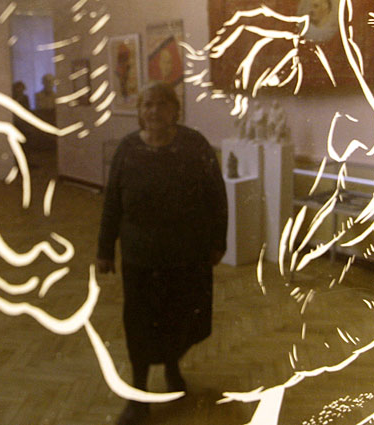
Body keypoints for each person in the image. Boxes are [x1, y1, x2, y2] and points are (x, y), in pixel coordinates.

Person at [96, 81, 228, 425]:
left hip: (186, 255)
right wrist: (105, 250)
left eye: (162, 104)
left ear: (175, 110)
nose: (154, 111)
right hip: (141, 257)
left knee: (179, 319)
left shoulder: (194, 145)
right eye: (147, 105)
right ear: (140, 112)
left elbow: (216, 196)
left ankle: (172, 368)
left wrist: (219, 242)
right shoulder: (127, 149)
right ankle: (138, 395)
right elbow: (112, 203)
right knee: (139, 325)